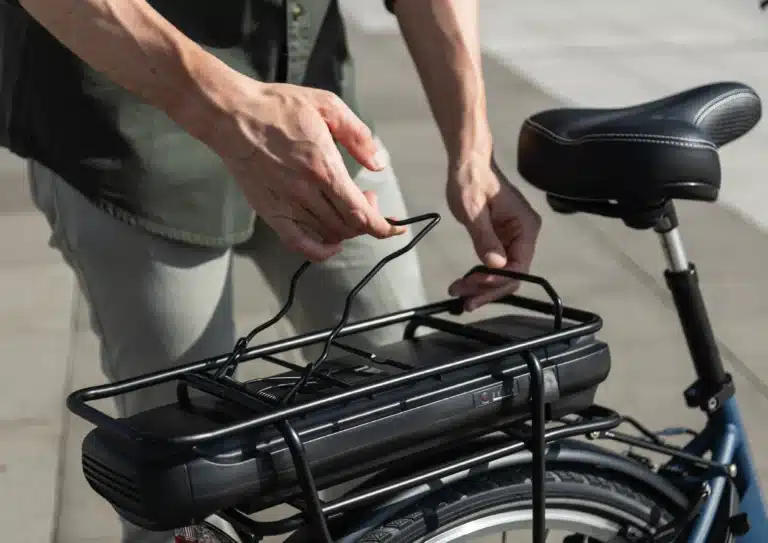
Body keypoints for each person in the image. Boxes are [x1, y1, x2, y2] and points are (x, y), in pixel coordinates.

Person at [3, 0, 542, 541]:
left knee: (405, 406)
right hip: (129, 127)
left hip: (318, 116)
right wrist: (230, 108)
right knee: (184, 470)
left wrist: (474, 152)